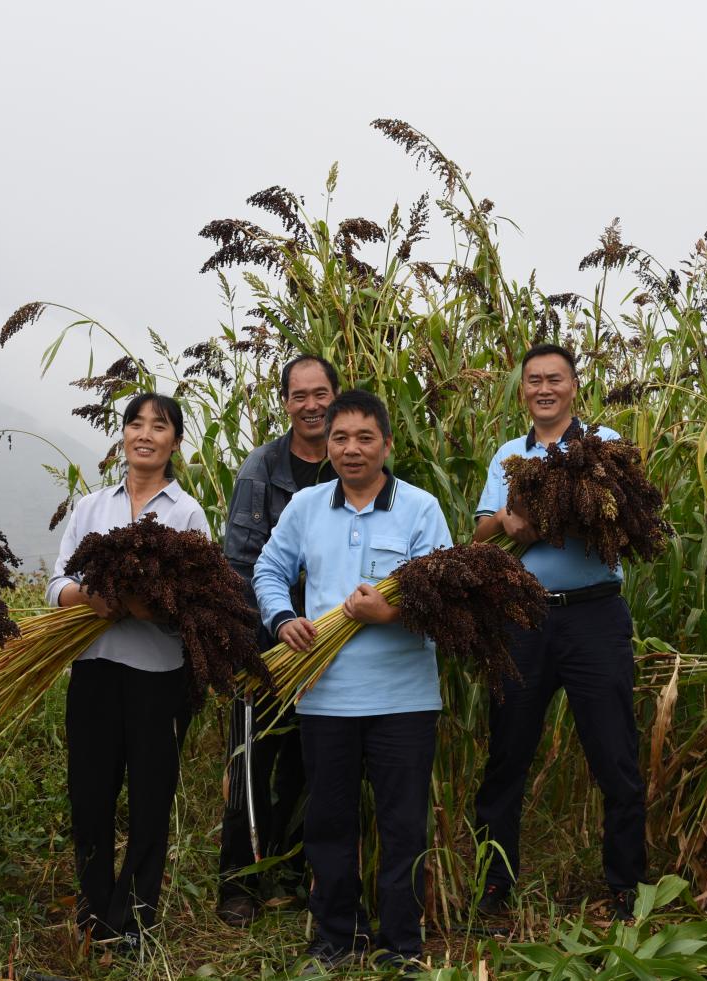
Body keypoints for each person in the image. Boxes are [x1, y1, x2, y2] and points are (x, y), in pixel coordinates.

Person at [252, 390, 451, 971]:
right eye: (340, 438)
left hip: (404, 700)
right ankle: (336, 937)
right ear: (326, 447)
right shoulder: (307, 507)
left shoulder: (420, 509)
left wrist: (390, 613)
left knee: (402, 825)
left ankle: (400, 946)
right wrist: (282, 617)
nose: (351, 449)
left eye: (365, 438)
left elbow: (444, 597)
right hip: (325, 697)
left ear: (387, 445)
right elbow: (269, 568)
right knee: (329, 823)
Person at [471, 343, 647, 922]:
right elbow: (480, 539)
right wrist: (509, 521)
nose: (543, 389)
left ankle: (626, 886)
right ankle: (494, 885)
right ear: (521, 391)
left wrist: (569, 513)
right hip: (524, 616)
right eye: (533, 381)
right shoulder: (507, 456)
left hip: (594, 617)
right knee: (507, 754)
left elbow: (628, 521)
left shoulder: (604, 443)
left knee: (613, 752)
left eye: (555, 379)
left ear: (574, 386)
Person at [45, 393, 207, 951]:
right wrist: (89, 597)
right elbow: (55, 584)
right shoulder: (90, 507)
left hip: (159, 678)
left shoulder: (186, 513)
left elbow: (197, 601)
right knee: (90, 798)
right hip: (94, 673)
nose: (144, 434)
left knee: (149, 802)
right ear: (123, 437)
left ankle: (134, 922)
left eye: (158, 427)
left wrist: (146, 606)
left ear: (174, 443)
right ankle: (94, 918)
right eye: (134, 424)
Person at [216, 355, 338, 927]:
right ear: (285, 402)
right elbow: (241, 563)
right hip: (269, 642)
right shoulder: (262, 468)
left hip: (339, 643)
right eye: (299, 395)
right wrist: (269, 632)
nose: (311, 405)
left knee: (306, 763)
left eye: (321, 394)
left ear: (336, 396)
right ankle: (238, 882)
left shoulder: (354, 457)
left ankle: (291, 870)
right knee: (250, 761)